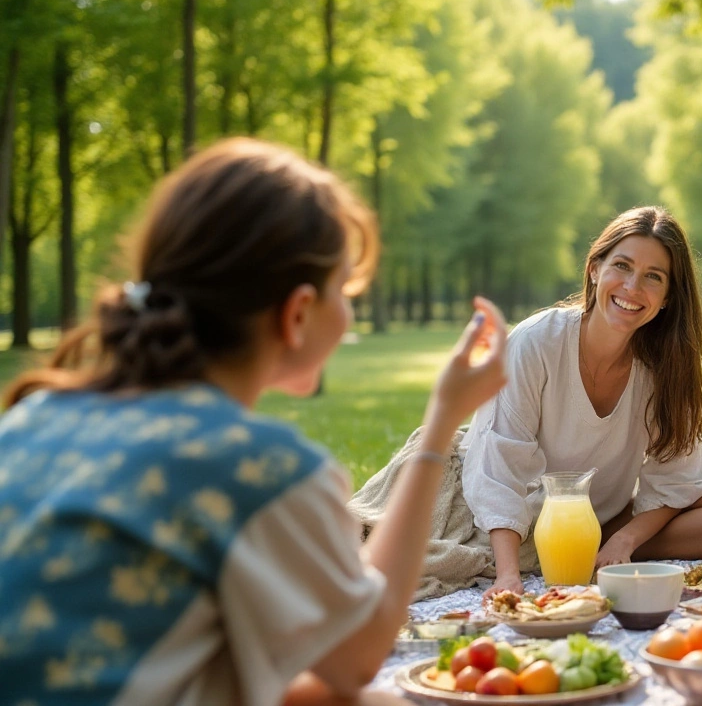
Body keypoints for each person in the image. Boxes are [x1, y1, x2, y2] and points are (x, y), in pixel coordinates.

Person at [0, 138, 508, 705]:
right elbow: (359, 655)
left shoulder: (37, 416)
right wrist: (441, 424)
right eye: (343, 289)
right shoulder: (258, 468)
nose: (348, 310)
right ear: (296, 314)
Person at [461, 206, 702, 598]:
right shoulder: (535, 343)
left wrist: (625, 540)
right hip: (519, 519)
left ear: (668, 298)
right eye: (622, 266)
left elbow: (678, 479)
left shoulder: (664, 367)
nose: (632, 288)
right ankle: (551, 551)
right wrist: (508, 575)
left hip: (601, 515)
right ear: (595, 269)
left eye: (653, 277)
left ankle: (595, 547)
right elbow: (498, 467)